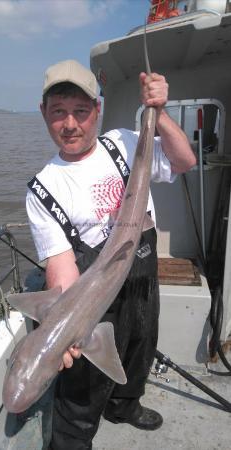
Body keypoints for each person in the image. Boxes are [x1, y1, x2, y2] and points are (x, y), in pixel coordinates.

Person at [26, 59, 196, 450]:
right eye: (58, 113)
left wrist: (160, 113)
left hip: (142, 267)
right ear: (44, 113)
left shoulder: (123, 141)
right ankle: (72, 440)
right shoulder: (42, 187)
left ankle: (125, 405)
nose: (70, 124)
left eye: (81, 112)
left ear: (96, 111)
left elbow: (184, 161)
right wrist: (63, 324)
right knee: (82, 386)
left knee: (141, 344)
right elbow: (60, 266)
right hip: (92, 292)